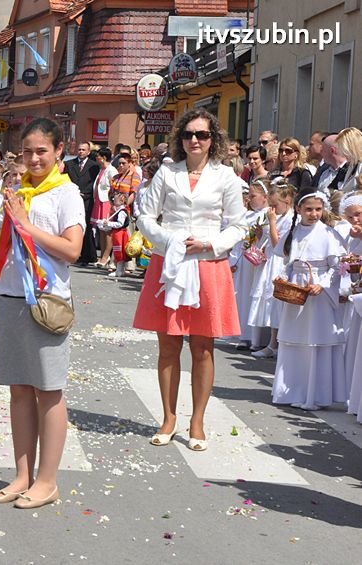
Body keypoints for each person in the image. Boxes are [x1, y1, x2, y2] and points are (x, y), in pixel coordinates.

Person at [133, 108, 247, 452]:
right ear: (180, 139)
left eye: (202, 135)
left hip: (208, 264)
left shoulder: (226, 176)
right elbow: (145, 217)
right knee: (168, 346)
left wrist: (210, 243)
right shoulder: (168, 173)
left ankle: (197, 421)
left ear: (214, 140)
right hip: (170, 263)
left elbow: (239, 225)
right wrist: (170, 241)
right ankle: (168, 417)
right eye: (189, 134)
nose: (195, 140)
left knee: (203, 348)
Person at [0, 118, 83, 509]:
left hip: (47, 301)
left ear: (59, 151)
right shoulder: (15, 192)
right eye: (27, 151)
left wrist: (26, 226)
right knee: (19, 390)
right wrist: (6, 224)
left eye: (41, 151)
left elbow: (72, 249)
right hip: (10, 295)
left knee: (48, 390)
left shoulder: (66, 193)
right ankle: (23, 474)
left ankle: (47, 479)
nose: (34, 158)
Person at [272, 188, 346, 410]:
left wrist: (321, 284)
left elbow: (337, 267)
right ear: (299, 209)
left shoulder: (328, 234)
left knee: (314, 341)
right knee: (295, 340)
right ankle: (291, 390)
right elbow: (286, 262)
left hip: (317, 294)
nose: (314, 214)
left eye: (318, 209)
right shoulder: (293, 233)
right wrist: (283, 278)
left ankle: (315, 395)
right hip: (296, 291)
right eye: (309, 209)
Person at [247, 179, 295, 357]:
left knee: (277, 302)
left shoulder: (289, 219)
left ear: (287, 202)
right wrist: (260, 234)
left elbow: (279, 245)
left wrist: (272, 223)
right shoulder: (280, 216)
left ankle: (275, 343)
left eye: (275, 205)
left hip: (279, 263)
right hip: (269, 261)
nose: (272, 209)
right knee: (272, 304)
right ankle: (271, 343)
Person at [229, 179, 269, 351]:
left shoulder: (267, 214)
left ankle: (257, 337)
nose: (250, 199)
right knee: (243, 296)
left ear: (265, 196)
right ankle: (244, 333)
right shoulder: (248, 215)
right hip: (244, 260)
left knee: (255, 297)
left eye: (254, 196)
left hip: (257, 261)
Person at [64, 141, 100, 265]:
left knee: (86, 226)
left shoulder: (94, 166)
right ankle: (75, 253)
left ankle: (87, 255)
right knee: (73, 225)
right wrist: (73, 191)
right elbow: (65, 179)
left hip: (87, 199)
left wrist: (85, 193)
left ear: (88, 152)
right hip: (72, 198)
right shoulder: (69, 164)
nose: (81, 152)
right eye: (79, 149)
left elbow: (94, 182)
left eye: (83, 150)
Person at [90, 148, 117, 268]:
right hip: (99, 200)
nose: (97, 158)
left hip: (107, 202)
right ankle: (101, 256)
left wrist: (113, 202)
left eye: (99, 156)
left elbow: (114, 186)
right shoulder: (102, 169)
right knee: (101, 229)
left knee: (107, 230)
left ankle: (106, 256)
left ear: (104, 157)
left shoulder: (111, 170)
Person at [100, 191, 130, 278]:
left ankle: (119, 271)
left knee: (119, 252)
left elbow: (120, 224)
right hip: (118, 233)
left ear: (122, 201)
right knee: (118, 251)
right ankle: (120, 269)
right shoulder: (119, 210)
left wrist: (109, 223)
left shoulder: (121, 211)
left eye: (115, 200)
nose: (113, 201)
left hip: (120, 233)